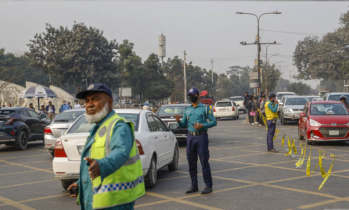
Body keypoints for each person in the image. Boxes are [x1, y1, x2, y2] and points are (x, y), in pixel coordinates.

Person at [67, 83, 145, 210]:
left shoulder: (119, 126)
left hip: (115, 203)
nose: (89, 104)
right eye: (87, 101)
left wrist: (102, 165)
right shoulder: (98, 128)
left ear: (109, 102)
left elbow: (121, 151)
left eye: (95, 99)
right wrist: (82, 183)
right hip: (98, 202)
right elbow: (93, 163)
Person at [175, 88, 217, 194]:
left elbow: (214, 122)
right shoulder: (187, 110)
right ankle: (194, 185)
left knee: (204, 161)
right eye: (189, 95)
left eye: (193, 95)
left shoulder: (205, 108)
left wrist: (203, 125)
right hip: (190, 137)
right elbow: (183, 124)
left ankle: (208, 185)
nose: (191, 97)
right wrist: (178, 121)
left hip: (201, 137)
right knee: (191, 162)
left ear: (198, 96)